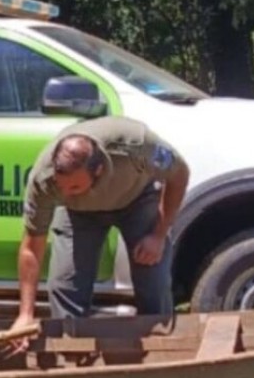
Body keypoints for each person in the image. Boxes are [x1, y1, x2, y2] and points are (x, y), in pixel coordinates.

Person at [11, 115, 189, 346]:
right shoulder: (44, 181)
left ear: (99, 170)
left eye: (74, 185)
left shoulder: (136, 145)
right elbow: (31, 248)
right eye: (61, 185)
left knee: (153, 279)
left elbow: (180, 173)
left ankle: (162, 349)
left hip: (136, 198)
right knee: (65, 284)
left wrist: (158, 235)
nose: (65, 191)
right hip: (78, 212)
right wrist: (25, 315)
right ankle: (73, 352)